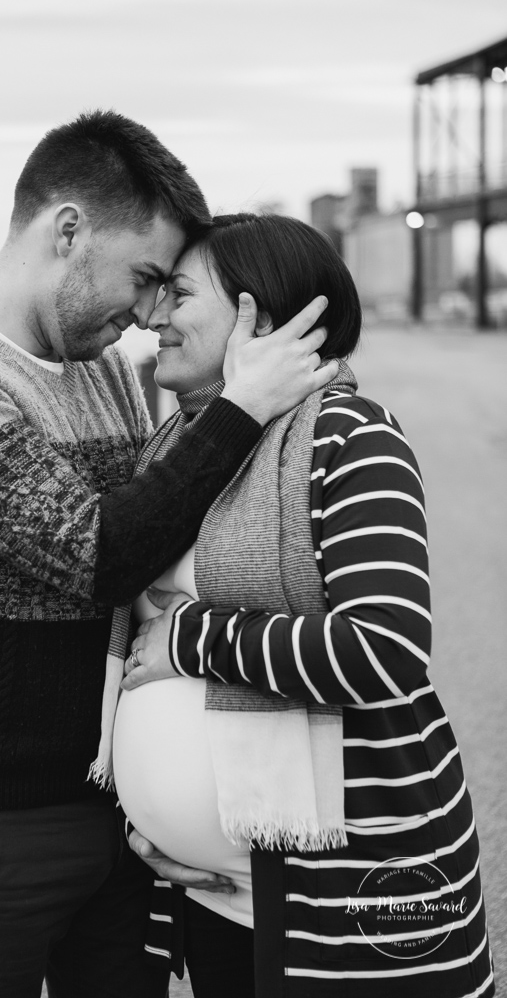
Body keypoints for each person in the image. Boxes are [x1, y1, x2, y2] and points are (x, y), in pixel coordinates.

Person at [0, 113, 337, 998]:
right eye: (146, 276)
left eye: (168, 290)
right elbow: (96, 557)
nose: (149, 310)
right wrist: (241, 407)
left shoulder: (113, 370)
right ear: (68, 229)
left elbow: (183, 533)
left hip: (114, 812)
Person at [115, 213, 494, 998]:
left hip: (342, 874)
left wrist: (193, 637)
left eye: (178, 295)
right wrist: (148, 810)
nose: (152, 318)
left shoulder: (352, 440)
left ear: (261, 315)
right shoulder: (176, 452)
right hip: (211, 890)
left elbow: (383, 649)